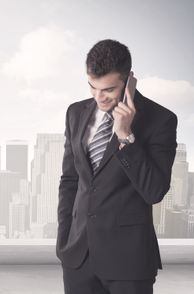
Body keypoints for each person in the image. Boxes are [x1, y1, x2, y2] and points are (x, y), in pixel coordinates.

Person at [56, 39, 178, 294]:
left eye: (108, 89)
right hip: (78, 258)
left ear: (129, 81)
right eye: (92, 87)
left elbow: (154, 191)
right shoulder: (75, 113)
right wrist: (64, 240)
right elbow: (70, 180)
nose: (99, 97)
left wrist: (125, 136)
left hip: (128, 262)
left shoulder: (160, 120)